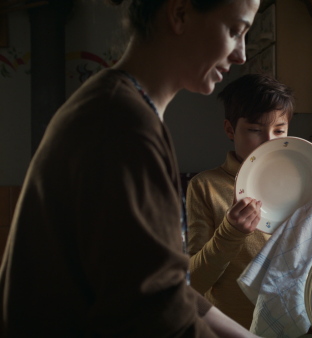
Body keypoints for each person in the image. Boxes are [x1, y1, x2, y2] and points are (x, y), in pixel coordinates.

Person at [0, 0, 262, 337]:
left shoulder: (126, 107)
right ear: (180, 13)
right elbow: (155, 316)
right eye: (235, 31)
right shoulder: (121, 124)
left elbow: (168, 285)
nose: (241, 54)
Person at [186, 73, 295, 328]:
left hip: (292, 327)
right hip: (233, 326)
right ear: (229, 129)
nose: (269, 141)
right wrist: (230, 233)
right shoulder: (205, 186)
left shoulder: (302, 181)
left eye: (279, 130)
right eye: (255, 130)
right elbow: (194, 283)